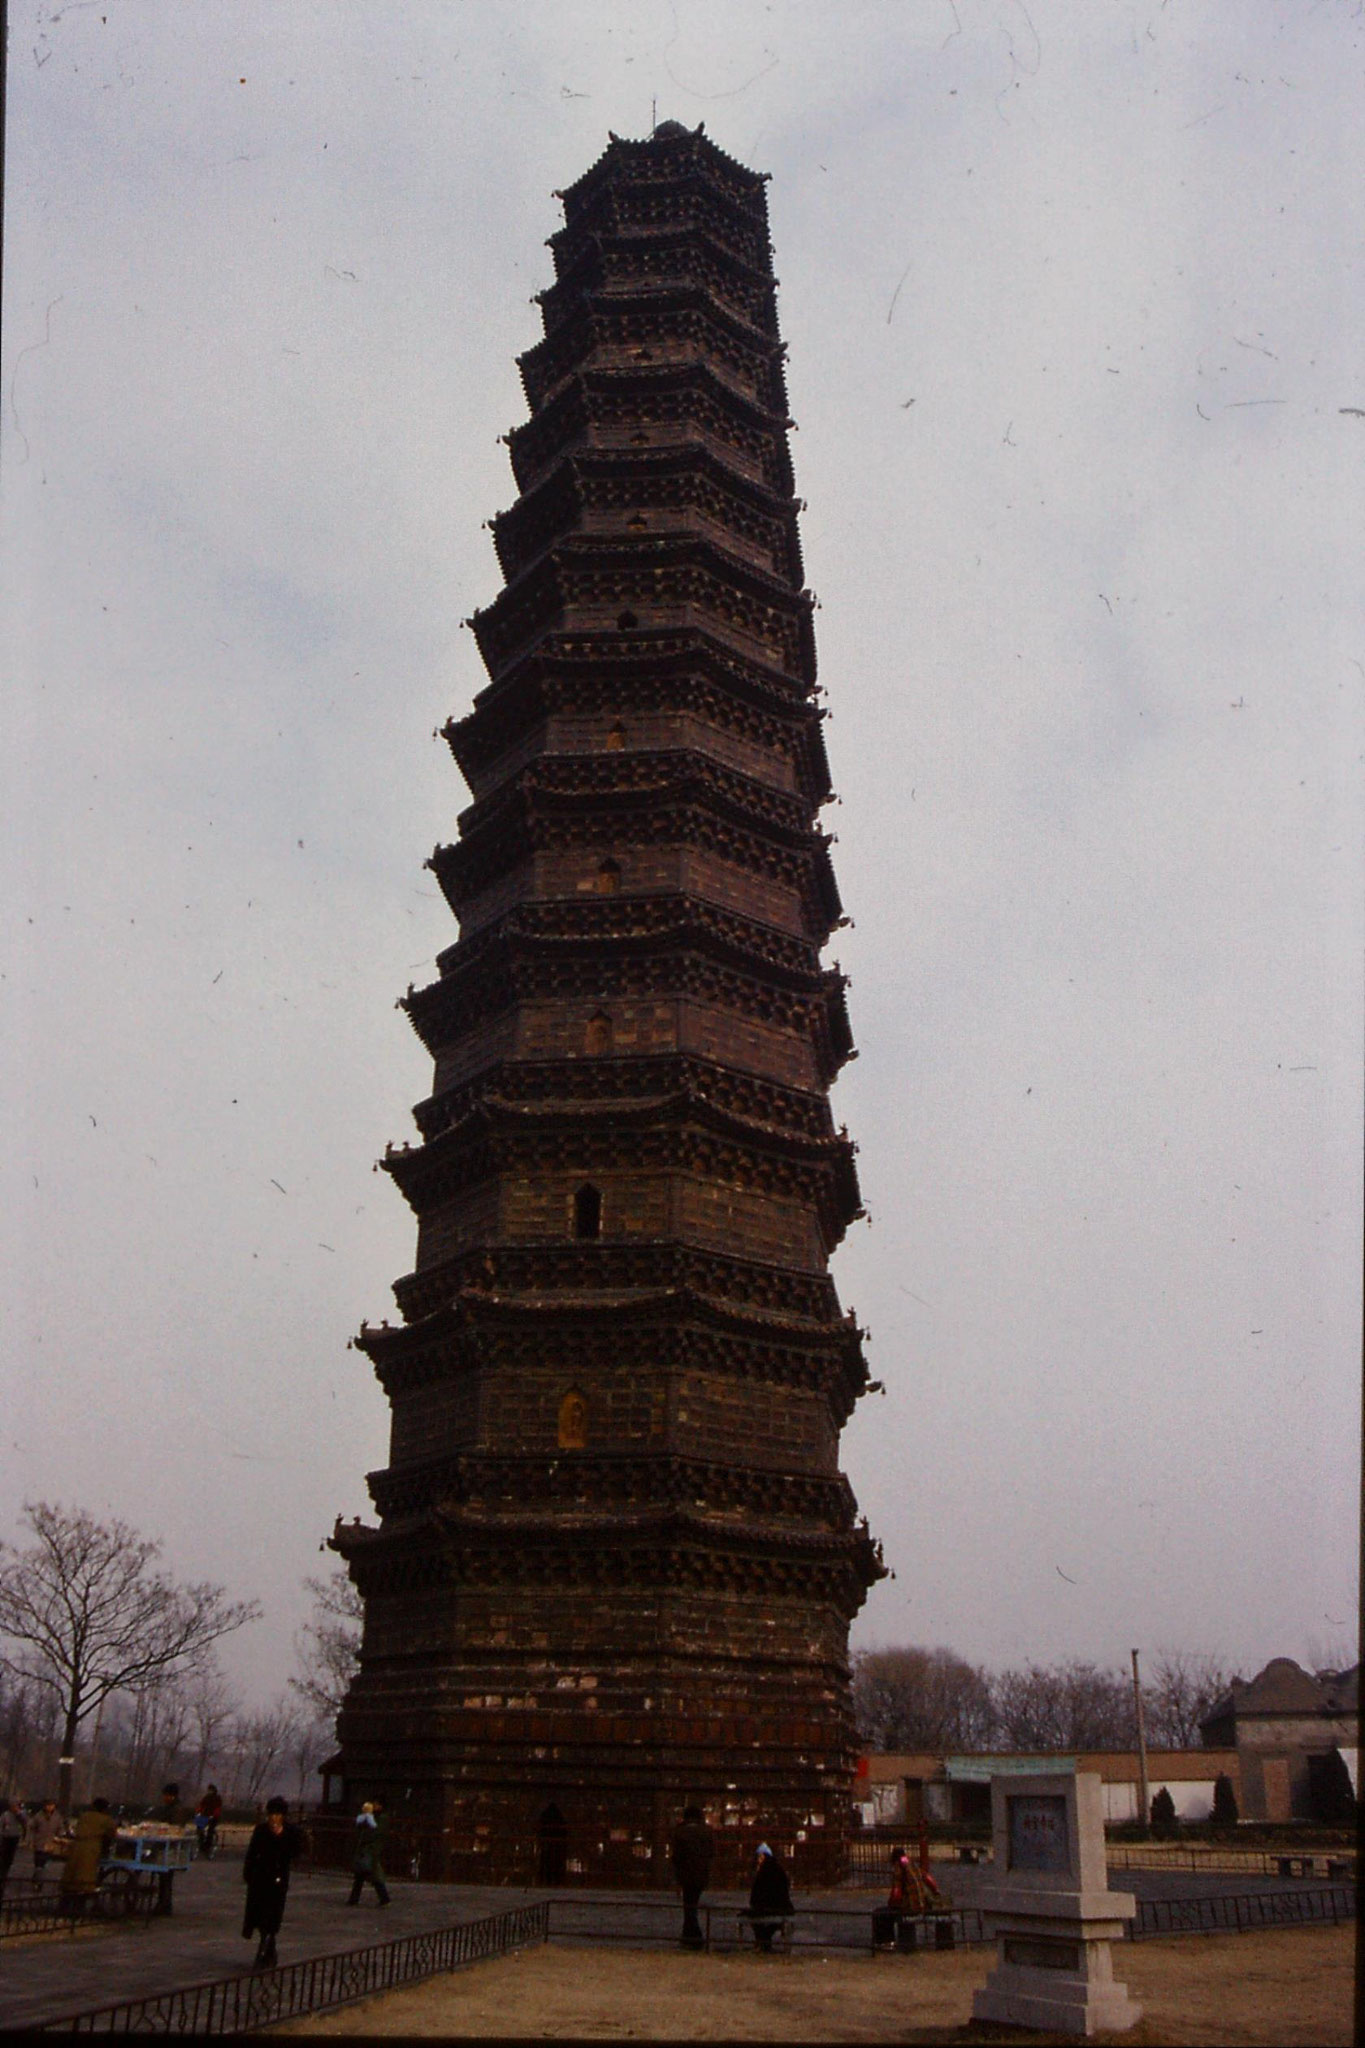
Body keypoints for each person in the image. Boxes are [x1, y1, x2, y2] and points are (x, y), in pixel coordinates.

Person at [242, 1796, 304, 1970]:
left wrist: (283, 1841)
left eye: (278, 1815)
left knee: (273, 1915)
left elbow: (296, 1852)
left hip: (278, 1879)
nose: (274, 1818)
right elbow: (252, 1853)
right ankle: (269, 1951)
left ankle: (264, 1951)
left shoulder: (291, 1831)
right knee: (261, 1915)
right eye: (271, 1814)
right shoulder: (261, 1830)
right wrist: (248, 1873)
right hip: (259, 1878)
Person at [59, 1797, 118, 1909]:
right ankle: (79, 1907)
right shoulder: (106, 1819)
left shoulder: (84, 1816)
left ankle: (64, 1905)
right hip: (92, 1849)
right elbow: (112, 1834)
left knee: (71, 1875)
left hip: (76, 1847)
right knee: (85, 1879)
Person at [670, 1804, 714, 1950]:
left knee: (689, 1906)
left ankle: (693, 1936)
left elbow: (676, 1857)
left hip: (685, 1873)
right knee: (691, 1905)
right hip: (701, 1873)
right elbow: (711, 1853)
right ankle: (691, 1936)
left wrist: (676, 1879)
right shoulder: (707, 1831)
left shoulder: (680, 1832)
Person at [746, 1841, 794, 1952]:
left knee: (757, 1920)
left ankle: (763, 1943)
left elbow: (756, 1894)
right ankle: (765, 1943)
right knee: (770, 1924)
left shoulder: (763, 1871)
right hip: (782, 1907)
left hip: (767, 1908)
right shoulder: (778, 1869)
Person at [347, 1796, 390, 1907]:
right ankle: (354, 1899)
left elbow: (375, 1833)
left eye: (376, 1804)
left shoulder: (382, 1818)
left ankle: (384, 1899)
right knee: (361, 1875)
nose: (374, 1806)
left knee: (372, 1875)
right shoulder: (374, 1817)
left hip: (372, 1850)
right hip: (367, 1850)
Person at [29, 1799, 66, 1878]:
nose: (50, 1807)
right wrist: (31, 1841)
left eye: (52, 1805)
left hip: (50, 1843)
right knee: (38, 1863)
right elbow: (32, 1828)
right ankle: (37, 1878)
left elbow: (60, 1828)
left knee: (45, 1863)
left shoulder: (57, 1816)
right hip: (39, 1842)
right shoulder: (38, 1816)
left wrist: (60, 1836)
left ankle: (40, 1878)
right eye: (48, 1805)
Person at [0, 1800, 25, 1900]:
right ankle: (3, 1874)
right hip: (6, 1837)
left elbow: (25, 1823)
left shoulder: (21, 1814)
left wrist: (18, 1814)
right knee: (3, 1857)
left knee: (9, 1858)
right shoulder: (5, 1815)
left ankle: (5, 1872)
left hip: (15, 1837)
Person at [195, 1784, 223, 1859]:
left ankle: (208, 1846)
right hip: (205, 1816)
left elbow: (218, 1808)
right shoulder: (206, 1797)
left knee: (210, 1831)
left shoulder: (217, 1798)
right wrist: (198, 1812)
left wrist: (214, 1815)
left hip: (213, 1818)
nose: (209, 1791)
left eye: (210, 1790)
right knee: (199, 1829)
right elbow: (201, 1805)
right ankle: (201, 1844)